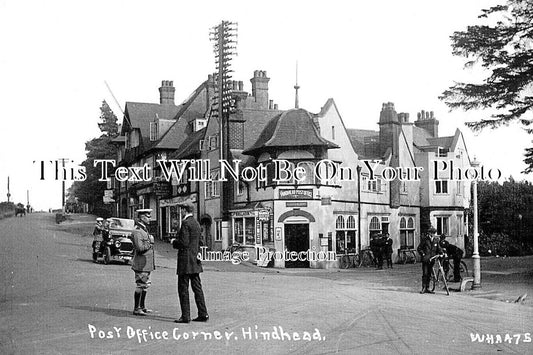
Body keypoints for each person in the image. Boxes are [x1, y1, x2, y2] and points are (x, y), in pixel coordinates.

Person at [170, 201, 208, 323]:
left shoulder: (185, 223)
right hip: (195, 261)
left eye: (181, 210)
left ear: (184, 210)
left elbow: (184, 243)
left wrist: (174, 242)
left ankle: (185, 316)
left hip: (185, 261)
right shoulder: (196, 223)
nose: (180, 212)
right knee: (197, 288)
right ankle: (203, 313)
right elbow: (201, 242)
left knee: (183, 288)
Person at [131, 209, 155, 316]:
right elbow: (140, 248)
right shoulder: (137, 231)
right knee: (140, 285)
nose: (149, 218)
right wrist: (150, 243)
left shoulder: (144, 229)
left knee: (145, 285)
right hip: (141, 263)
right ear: (141, 217)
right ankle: (137, 308)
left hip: (146, 264)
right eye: (147, 216)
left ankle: (142, 306)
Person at [417, 226, 444, 294]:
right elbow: (419, 248)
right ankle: (423, 288)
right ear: (430, 233)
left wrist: (442, 253)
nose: (434, 234)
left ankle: (427, 288)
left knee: (429, 274)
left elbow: (439, 248)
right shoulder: (425, 239)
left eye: (434, 233)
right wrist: (423, 255)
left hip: (432, 260)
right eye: (433, 233)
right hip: (426, 260)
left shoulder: (436, 240)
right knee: (425, 274)